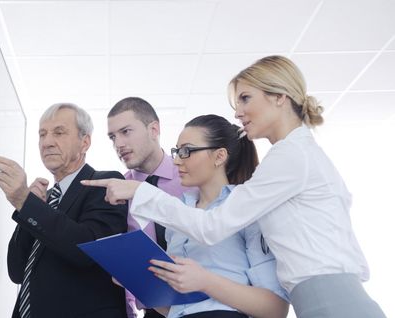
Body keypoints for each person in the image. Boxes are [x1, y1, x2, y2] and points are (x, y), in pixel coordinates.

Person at [82, 56, 386, 318]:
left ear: (280, 96)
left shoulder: (292, 156)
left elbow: (214, 227)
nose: (238, 112)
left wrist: (140, 192)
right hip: (318, 301)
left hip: (333, 300)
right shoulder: (288, 157)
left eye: (245, 98)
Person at [0, 103, 128, 318]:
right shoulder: (42, 201)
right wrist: (28, 207)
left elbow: (87, 250)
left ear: (85, 142)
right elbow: (16, 271)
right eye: (42, 134)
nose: (46, 142)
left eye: (59, 132)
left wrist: (26, 203)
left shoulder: (105, 183)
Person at [153, 114, 289, 318]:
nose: (177, 160)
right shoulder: (179, 212)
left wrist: (205, 281)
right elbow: (173, 308)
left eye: (186, 151)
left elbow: (275, 308)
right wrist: (138, 283)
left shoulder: (247, 208)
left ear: (219, 156)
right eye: (177, 151)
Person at [107, 97, 193, 318]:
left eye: (126, 132)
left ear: (154, 129)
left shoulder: (191, 177)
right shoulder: (116, 192)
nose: (118, 144)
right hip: (153, 311)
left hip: (204, 305)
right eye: (112, 137)